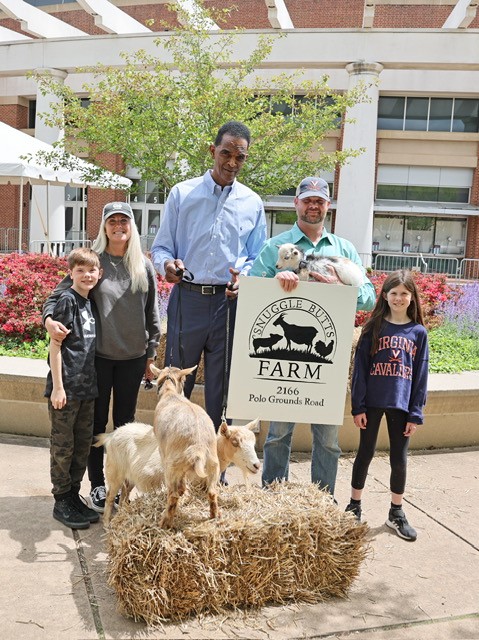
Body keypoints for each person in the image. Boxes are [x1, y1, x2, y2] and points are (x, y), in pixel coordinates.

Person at [249, 176, 376, 496]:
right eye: (307, 200)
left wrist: (340, 289)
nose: (313, 205)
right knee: (277, 435)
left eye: (319, 200)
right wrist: (277, 280)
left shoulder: (343, 249)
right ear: (296, 203)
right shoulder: (276, 248)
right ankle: (274, 496)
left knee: (328, 440)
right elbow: (251, 292)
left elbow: (370, 297)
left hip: (326, 366)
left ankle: (322, 501)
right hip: (283, 366)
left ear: (327, 206)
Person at [150, 121, 267, 453]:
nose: (232, 162)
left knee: (222, 388)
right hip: (187, 299)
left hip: (229, 306)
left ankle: (213, 463)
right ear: (212, 150)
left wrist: (244, 275)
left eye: (240, 157)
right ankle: (174, 460)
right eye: (226, 153)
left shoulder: (252, 202)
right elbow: (161, 249)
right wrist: (167, 266)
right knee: (175, 385)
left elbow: (258, 256)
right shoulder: (182, 193)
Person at [43, 201, 161, 512]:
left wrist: (151, 355)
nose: (118, 226)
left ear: (132, 226)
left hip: (133, 358)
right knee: (96, 425)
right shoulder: (94, 262)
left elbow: (152, 315)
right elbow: (57, 298)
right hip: (98, 358)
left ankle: (119, 486)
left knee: (124, 426)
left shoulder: (143, 265)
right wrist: (48, 321)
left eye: (124, 220)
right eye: (113, 220)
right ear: (104, 226)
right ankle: (96, 486)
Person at [345, 270, 429, 541]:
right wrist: (358, 406)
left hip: (401, 405)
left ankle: (396, 512)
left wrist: (415, 413)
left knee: (398, 459)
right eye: (393, 293)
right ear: (385, 295)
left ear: (412, 298)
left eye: (404, 293)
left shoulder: (418, 333)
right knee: (365, 453)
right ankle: (354, 506)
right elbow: (360, 369)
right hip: (371, 402)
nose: (399, 298)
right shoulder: (373, 327)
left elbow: (421, 375)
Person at [45, 247, 102, 529]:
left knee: (81, 447)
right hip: (65, 390)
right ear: (71, 274)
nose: (86, 275)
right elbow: (54, 348)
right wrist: (58, 387)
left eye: (91, 270)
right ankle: (61, 498)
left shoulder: (89, 303)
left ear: (99, 273)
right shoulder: (67, 301)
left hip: (86, 389)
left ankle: (73, 494)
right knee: (63, 446)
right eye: (80, 271)